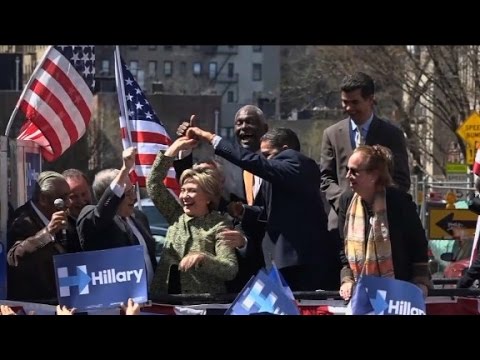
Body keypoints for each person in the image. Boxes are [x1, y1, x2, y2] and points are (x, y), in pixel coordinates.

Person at [186, 126, 339, 291]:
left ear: (285, 149)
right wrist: (244, 210)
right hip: (279, 263)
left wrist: (211, 138)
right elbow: (273, 213)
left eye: (267, 155)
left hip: (302, 264)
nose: (264, 160)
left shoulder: (298, 163)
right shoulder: (279, 177)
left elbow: (254, 162)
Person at [175, 108, 267, 292]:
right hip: (220, 282)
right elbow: (191, 182)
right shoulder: (223, 166)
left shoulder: (274, 165)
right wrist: (185, 148)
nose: (244, 127)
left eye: (250, 122)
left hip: (262, 273)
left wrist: (245, 241)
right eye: (239, 123)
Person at [320, 71, 411, 235]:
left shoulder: (391, 135)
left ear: (370, 100)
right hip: (341, 226)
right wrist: (344, 203)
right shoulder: (332, 134)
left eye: (355, 102)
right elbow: (326, 177)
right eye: (345, 102)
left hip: (381, 225)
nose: (349, 108)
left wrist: (376, 202)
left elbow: (401, 179)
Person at [147, 136, 238, 296]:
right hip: (165, 301)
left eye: (192, 191)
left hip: (201, 305)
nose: (184, 196)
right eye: (183, 190)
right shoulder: (176, 216)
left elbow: (230, 269)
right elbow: (153, 184)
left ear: (208, 197)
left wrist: (203, 258)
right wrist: (172, 151)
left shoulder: (219, 225)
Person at [337, 145, 430, 300]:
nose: (348, 176)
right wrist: (346, 279)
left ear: (373, 175)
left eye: (354, 171)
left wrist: (421, 282)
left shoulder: (399, 202)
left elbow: (418, 244)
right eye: (347, 170)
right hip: (360, 294)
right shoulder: (346, 201)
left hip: (399, 290)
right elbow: (342, 247)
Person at [77, 147, 157, 287]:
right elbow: (101, 214)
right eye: (126, 193)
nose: (133, 197)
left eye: (132, 190)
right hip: (118, 303)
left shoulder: (139, 217)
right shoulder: (92, 218)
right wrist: (125, 169)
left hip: (150, 301)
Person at [7, 171, 74, 302]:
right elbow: (14, 257)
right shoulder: (22, 221)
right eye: (62, 198)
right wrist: (47, 233)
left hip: (60, 299)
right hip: (36, 303)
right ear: (43, 198)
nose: (68, 203)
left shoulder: (63, 217)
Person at [61, 168, 93, 253]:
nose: (81, 200)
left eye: (84, 194)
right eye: (74, 196)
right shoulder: (61, 230)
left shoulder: (101, 220)